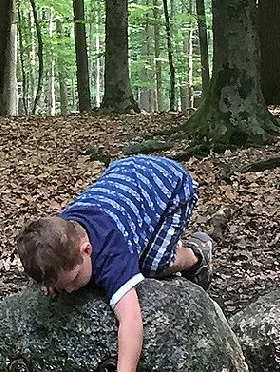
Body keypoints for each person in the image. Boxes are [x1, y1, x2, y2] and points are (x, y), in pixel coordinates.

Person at [14, 155, 229, 372]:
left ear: (87, 250)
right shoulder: (60, 233)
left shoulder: (112, 255)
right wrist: (49, 279)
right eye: (62, 286)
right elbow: (44, 252)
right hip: (125, 174)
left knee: (152, 264)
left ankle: (196, 254)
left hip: (169, 186)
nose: (69, 290)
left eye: (74, 278)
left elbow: (130, 320)